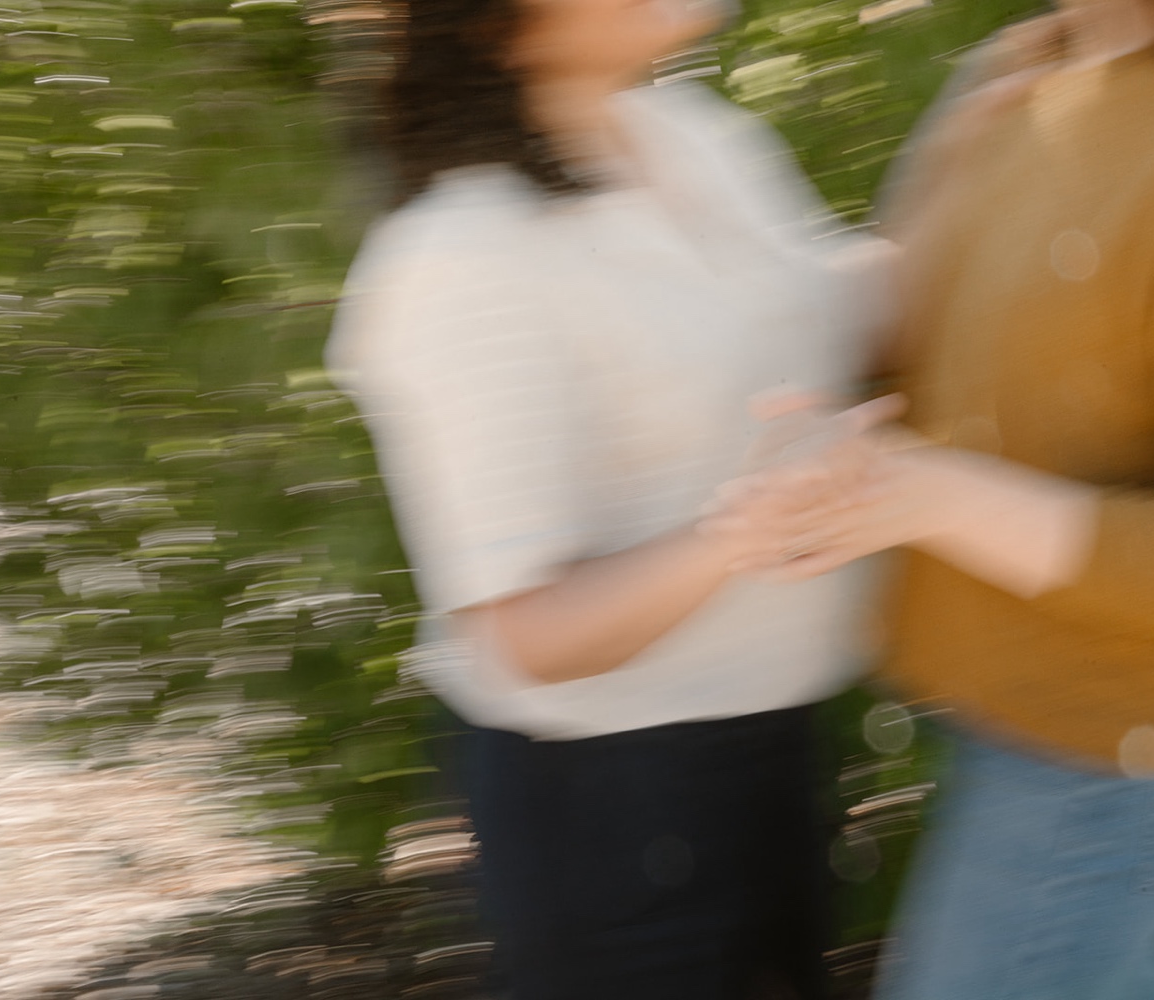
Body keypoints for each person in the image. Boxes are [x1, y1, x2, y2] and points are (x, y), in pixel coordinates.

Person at [710, 0, 1154, 995]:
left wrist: (930, 495)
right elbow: (950, 337)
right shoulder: (1045, 56)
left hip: (1102, 762)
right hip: (986, 710)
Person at [322, 0, 895, 996]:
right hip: (614, 817)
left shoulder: (695, 132)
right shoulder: (460, 251)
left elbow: (841, 312)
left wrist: (986, 128)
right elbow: (528, 631)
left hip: (778, 748)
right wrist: (743, 532)